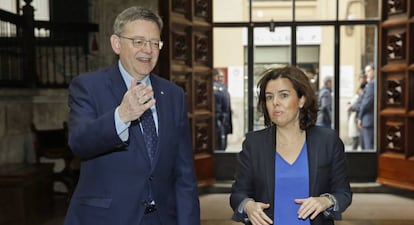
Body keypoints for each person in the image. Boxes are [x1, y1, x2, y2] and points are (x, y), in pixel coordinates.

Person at [63, 6, 200, 225]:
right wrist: (122, 116)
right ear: (117, 44)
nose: (148, 50)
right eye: (138, 42)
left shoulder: (173, 94)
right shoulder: (89, 87)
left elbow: (184, 173)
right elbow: (79, 143)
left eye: (155, 43)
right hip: (107, 218)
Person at [230, 66, 352, 225]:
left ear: (302, 99)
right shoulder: (254, 144)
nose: (275, 103)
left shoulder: (327, 141)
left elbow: (343, 192)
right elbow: (238, 193)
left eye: (284, 95)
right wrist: (248, 206)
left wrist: (326, 201)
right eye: (269, 97)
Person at [347, 70, 367, 150]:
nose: (360, 79)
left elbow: (362, 103)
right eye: (360, 78)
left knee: (359, 139)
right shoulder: (359, 87)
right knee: (356, 138)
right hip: (355, 116)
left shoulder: (366, 87)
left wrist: (352, 106)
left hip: (359, 116)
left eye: (362, 77)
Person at [213, 68, 233, 150]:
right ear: (215, 76)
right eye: (220, 76)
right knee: (220, 148)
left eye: (223, 77)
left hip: (221, 122)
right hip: (220, 122)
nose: (222, 79)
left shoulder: (223, 88)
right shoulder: (221, 89)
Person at [358, 63, 375, 150]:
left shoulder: (372, 84)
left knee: (368, 148)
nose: (366, 73)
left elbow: (366, 103)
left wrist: (359, 117)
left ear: (374, 71)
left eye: (368, 71)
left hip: (369, 120)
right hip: (370, 120)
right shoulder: (371, 84)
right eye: (366, 72)